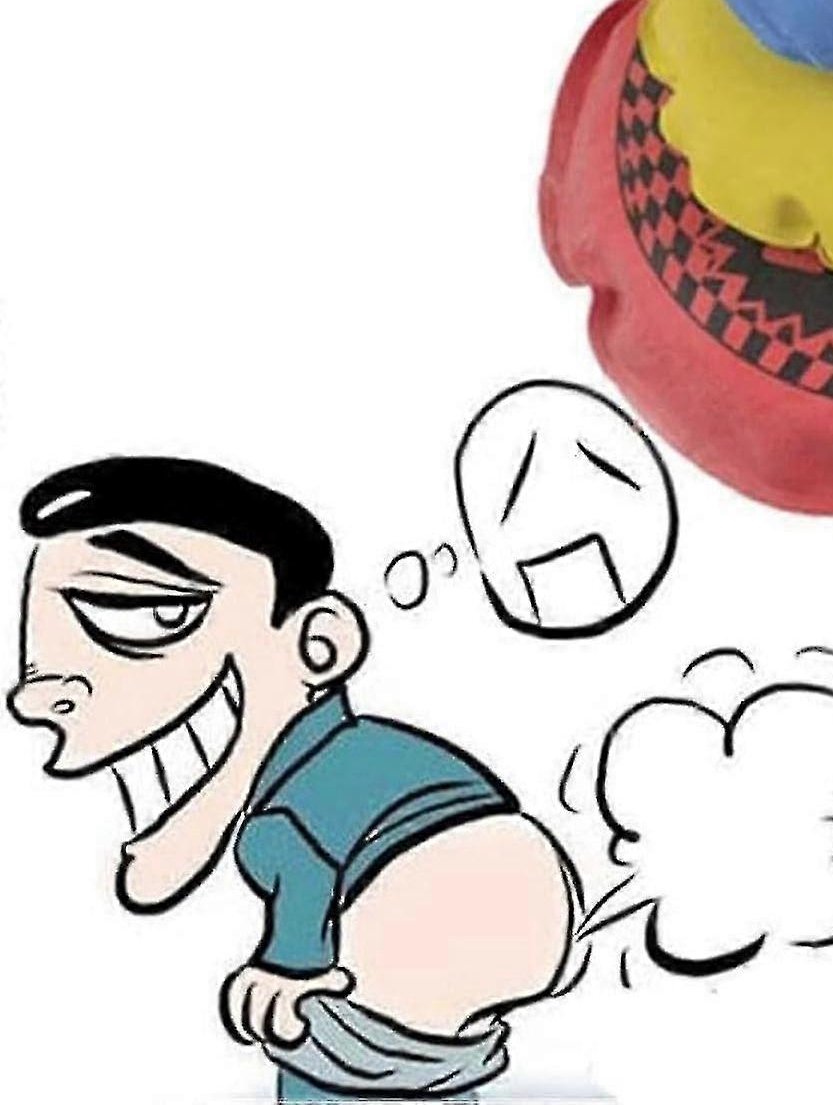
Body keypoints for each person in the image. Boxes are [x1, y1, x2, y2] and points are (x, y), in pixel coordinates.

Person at [8, 455, 577, 1104]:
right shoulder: (363, 754)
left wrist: (288, 970)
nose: (35, 696)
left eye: (146, 613)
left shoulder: (290, 810)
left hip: (433, 905)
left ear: (318, 644)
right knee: (409, 1060)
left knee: (331, 1049)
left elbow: (307, 882)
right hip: (497, 922)